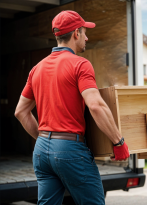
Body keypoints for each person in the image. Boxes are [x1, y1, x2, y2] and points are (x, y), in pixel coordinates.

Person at [14, 10, 129, 204]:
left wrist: (46, 141)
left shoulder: (37, 68)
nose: (87, 37)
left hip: (41, 151)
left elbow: (20, 111)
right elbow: (96, 106)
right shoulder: (80, 64)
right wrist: (118, 142)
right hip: (70, 150)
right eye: (84, 32)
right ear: (76, 33)